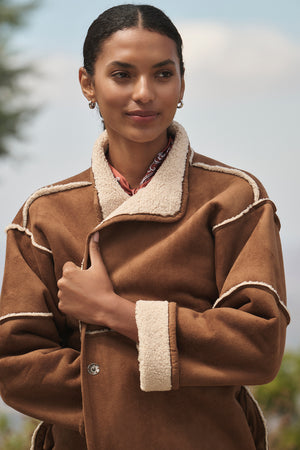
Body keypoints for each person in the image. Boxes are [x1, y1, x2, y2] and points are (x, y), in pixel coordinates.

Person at [0, 4, 289, 450]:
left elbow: (258, 346)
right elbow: (16, 366)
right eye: (121, 74)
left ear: (182, 83)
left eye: (162, 74)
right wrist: (155, 391)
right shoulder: (43, 216)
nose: (144, 93)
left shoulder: (234, 199)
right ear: (87, 84)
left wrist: (113, 312)